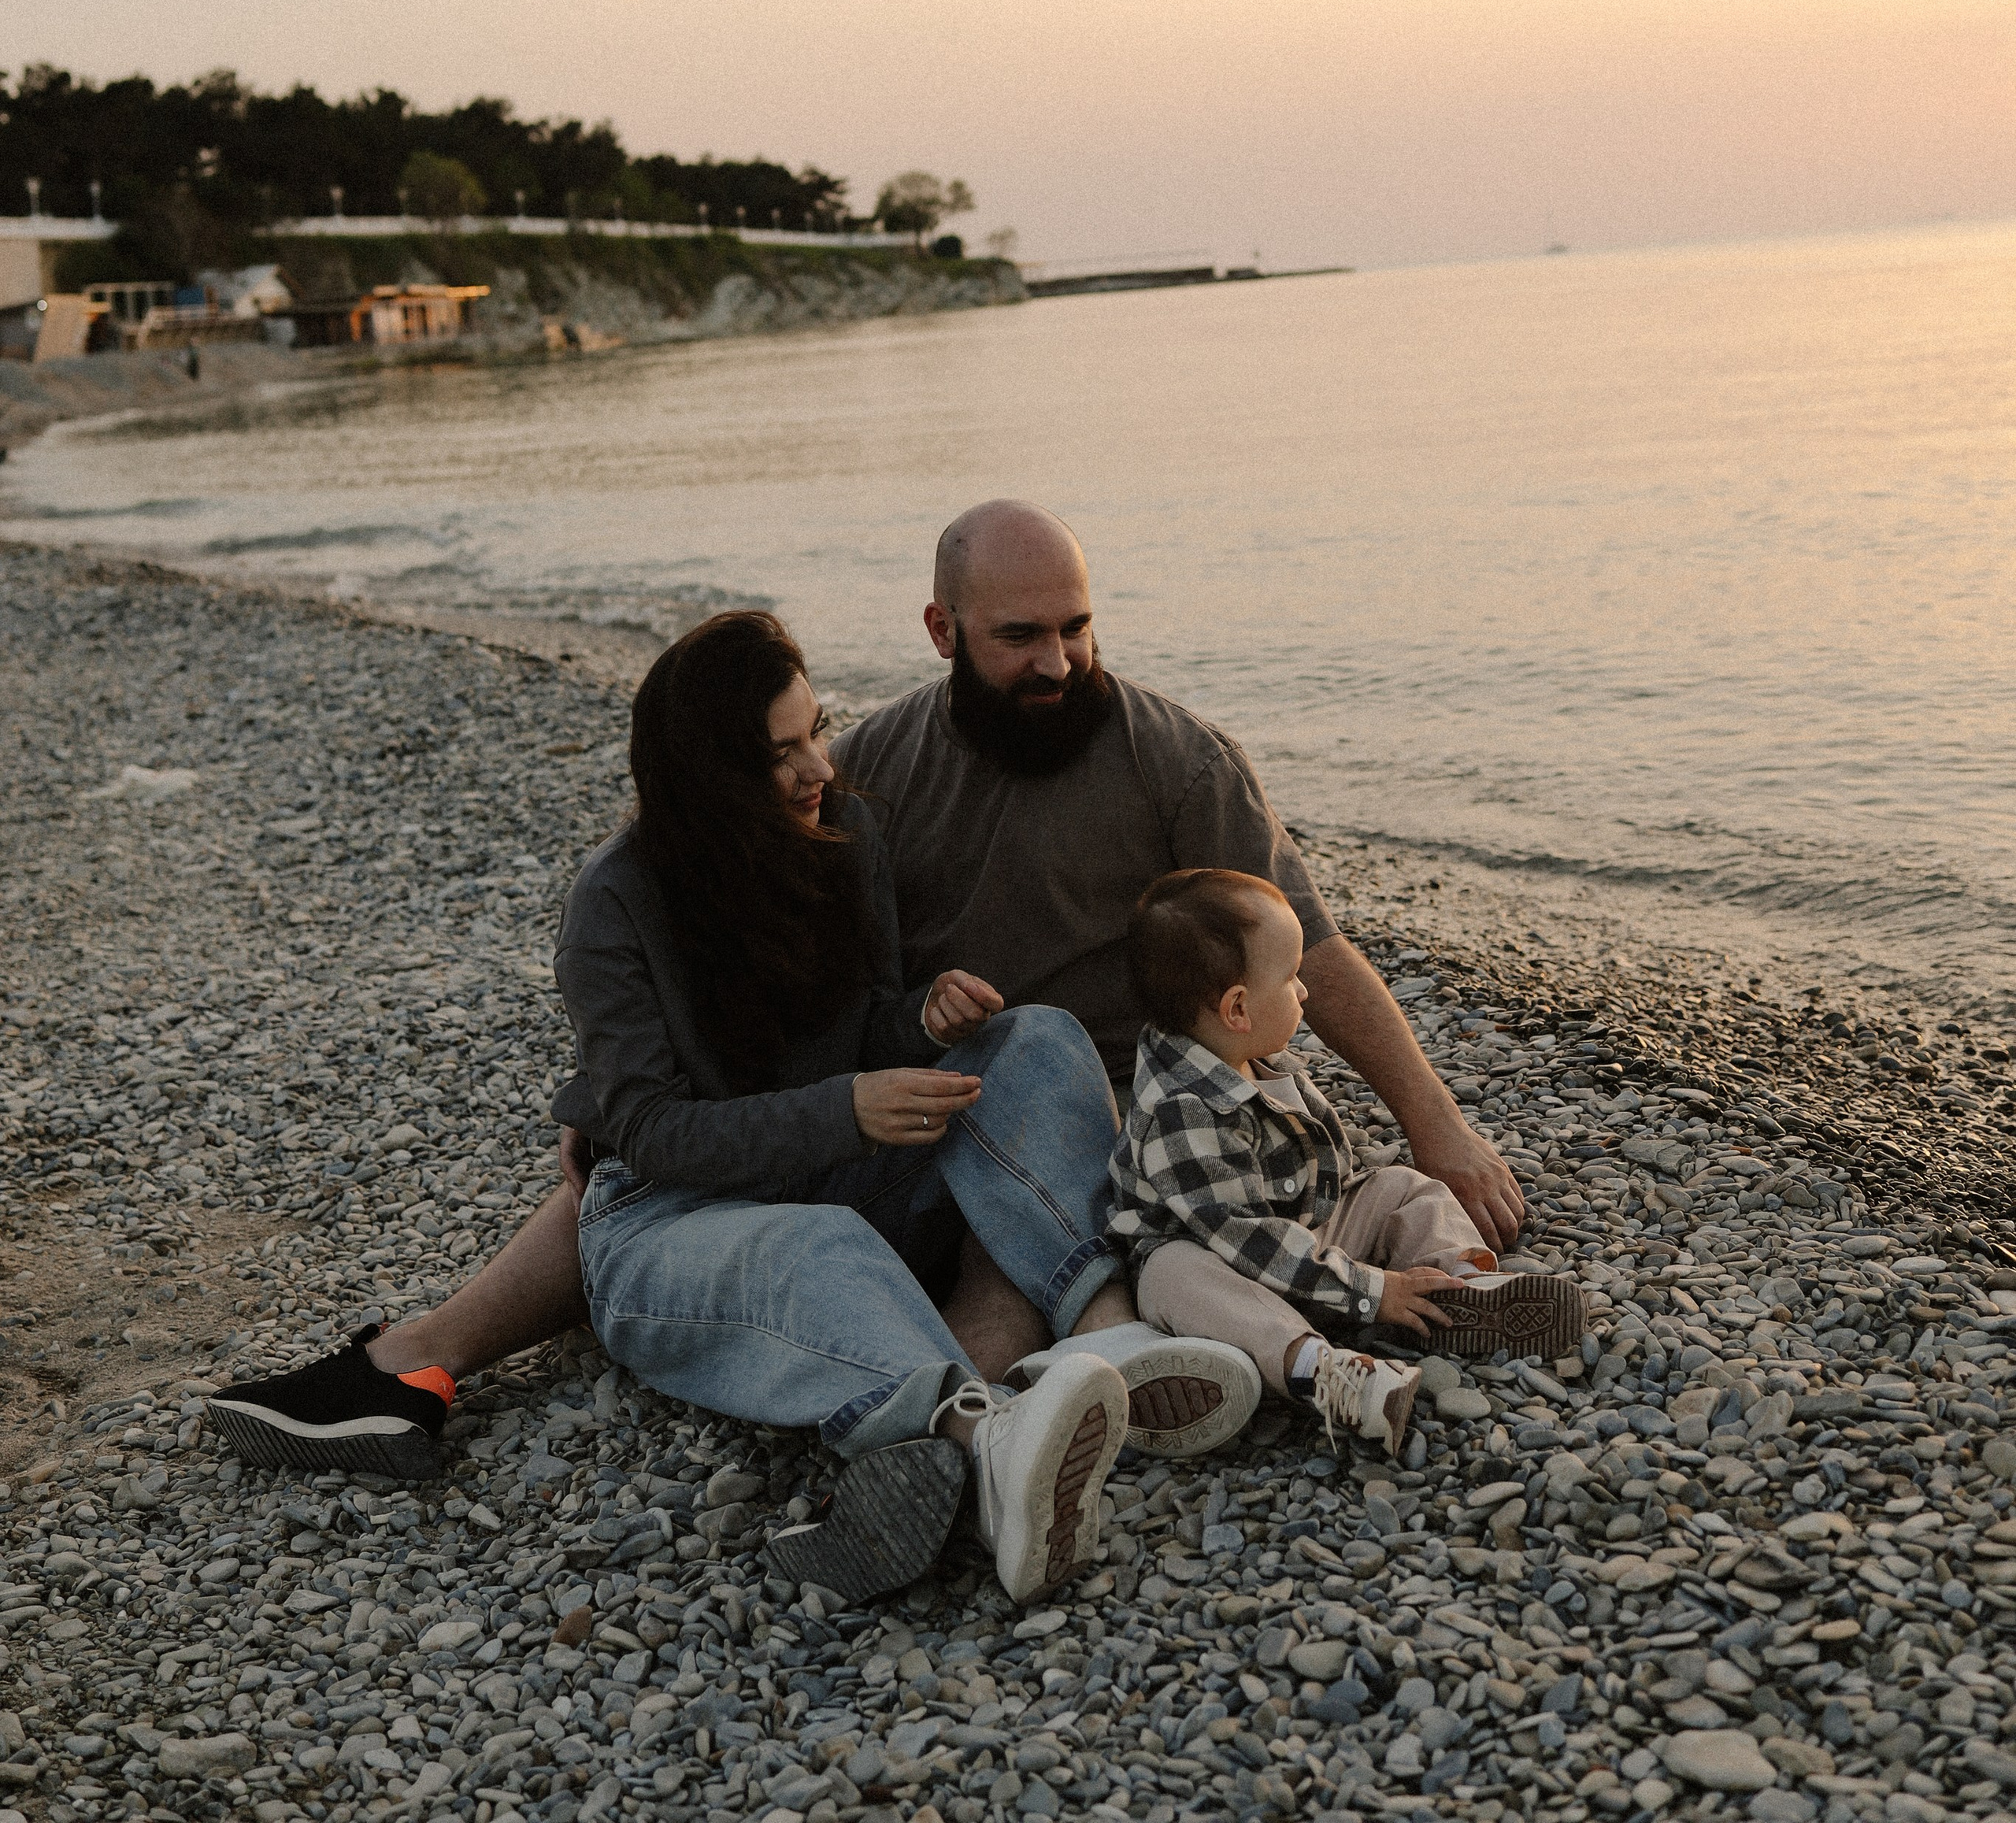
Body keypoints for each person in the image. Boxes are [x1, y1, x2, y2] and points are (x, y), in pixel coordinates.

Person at [208, 500, 1525, 1466]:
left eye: (1077, 627)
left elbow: (1310, 944)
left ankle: (1027, 1393)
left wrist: (1439, 1125)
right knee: (625, 1168)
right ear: (943, 629)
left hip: (1074, 1121)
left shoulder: (1171, 761)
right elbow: (744, 1010)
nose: (1057, 661)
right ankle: (410, 1361)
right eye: (1021, 635)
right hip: (896, 1122)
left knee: (1022, 1084)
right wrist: (608, 1090)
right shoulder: (869, 774)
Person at [210, 610, 1255, 1601]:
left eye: (818, 733)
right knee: (821, 1248)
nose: (815, 770)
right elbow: (655, 1134)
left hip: (838, 1173)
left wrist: (921, 1026)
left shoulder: (843, 835)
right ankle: (984, 1447)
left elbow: (863, 1031)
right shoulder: (614, 904)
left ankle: (1104, 1336)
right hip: (668, 1219)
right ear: (711, 774)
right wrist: (849, 1107)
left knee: (1031, 1040)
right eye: (778, 754)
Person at [1106, 869, 1588, 1447]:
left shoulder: (1247, 1053)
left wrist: (1363, 1250)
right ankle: (1320, 1370)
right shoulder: (1179, 1111)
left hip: (1303, 1240)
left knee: (1403, 1188)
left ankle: (1457, 1293)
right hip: (1225, 1270)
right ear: (1237, 1008)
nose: (1305, 992)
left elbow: (1329, 1181)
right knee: (1175, 1274)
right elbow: (1247, 1239)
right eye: (1290, 978)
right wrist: (1373, 1290)